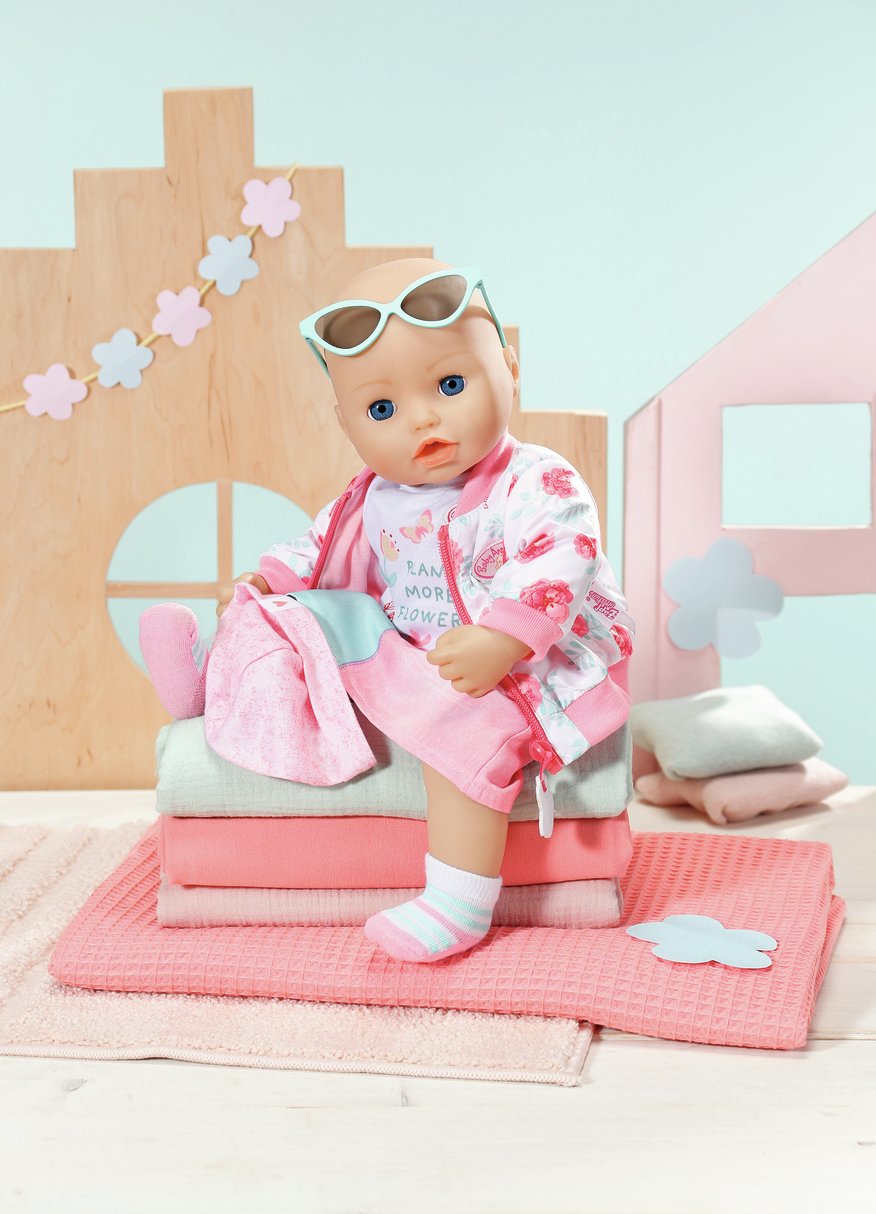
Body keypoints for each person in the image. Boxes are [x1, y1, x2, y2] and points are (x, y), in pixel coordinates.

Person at [139, 257, 634, 964]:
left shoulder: (536, 481)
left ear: (509, 369)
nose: (422, 419)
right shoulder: (375, 495)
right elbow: (317, 545)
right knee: (297, 615)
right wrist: (270, 580)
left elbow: (563, 555)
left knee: (464, 733)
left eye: (451, 385)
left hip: (523, 666)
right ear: (346, 422)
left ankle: (461, 900)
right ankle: (207, 679)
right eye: (381, 410)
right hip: (409, 649)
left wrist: (503, 639)